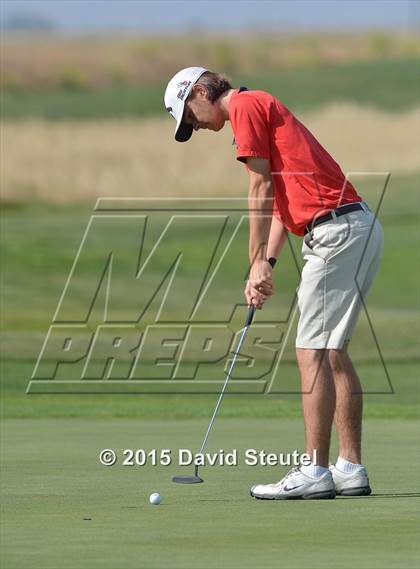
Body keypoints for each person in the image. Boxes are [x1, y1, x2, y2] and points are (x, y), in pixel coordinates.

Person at [164, 67, 383, 500]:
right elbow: (283, 204)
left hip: (336, 231)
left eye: (189, 116)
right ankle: (349, 468)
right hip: (352, 226)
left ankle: (315, 472)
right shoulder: (259, 107)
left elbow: (260, 186)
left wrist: (253, 265)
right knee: (331, 351)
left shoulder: (245, 105)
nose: (195, 126)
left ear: (202, 92)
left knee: (312, 352)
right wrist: (267, 262)